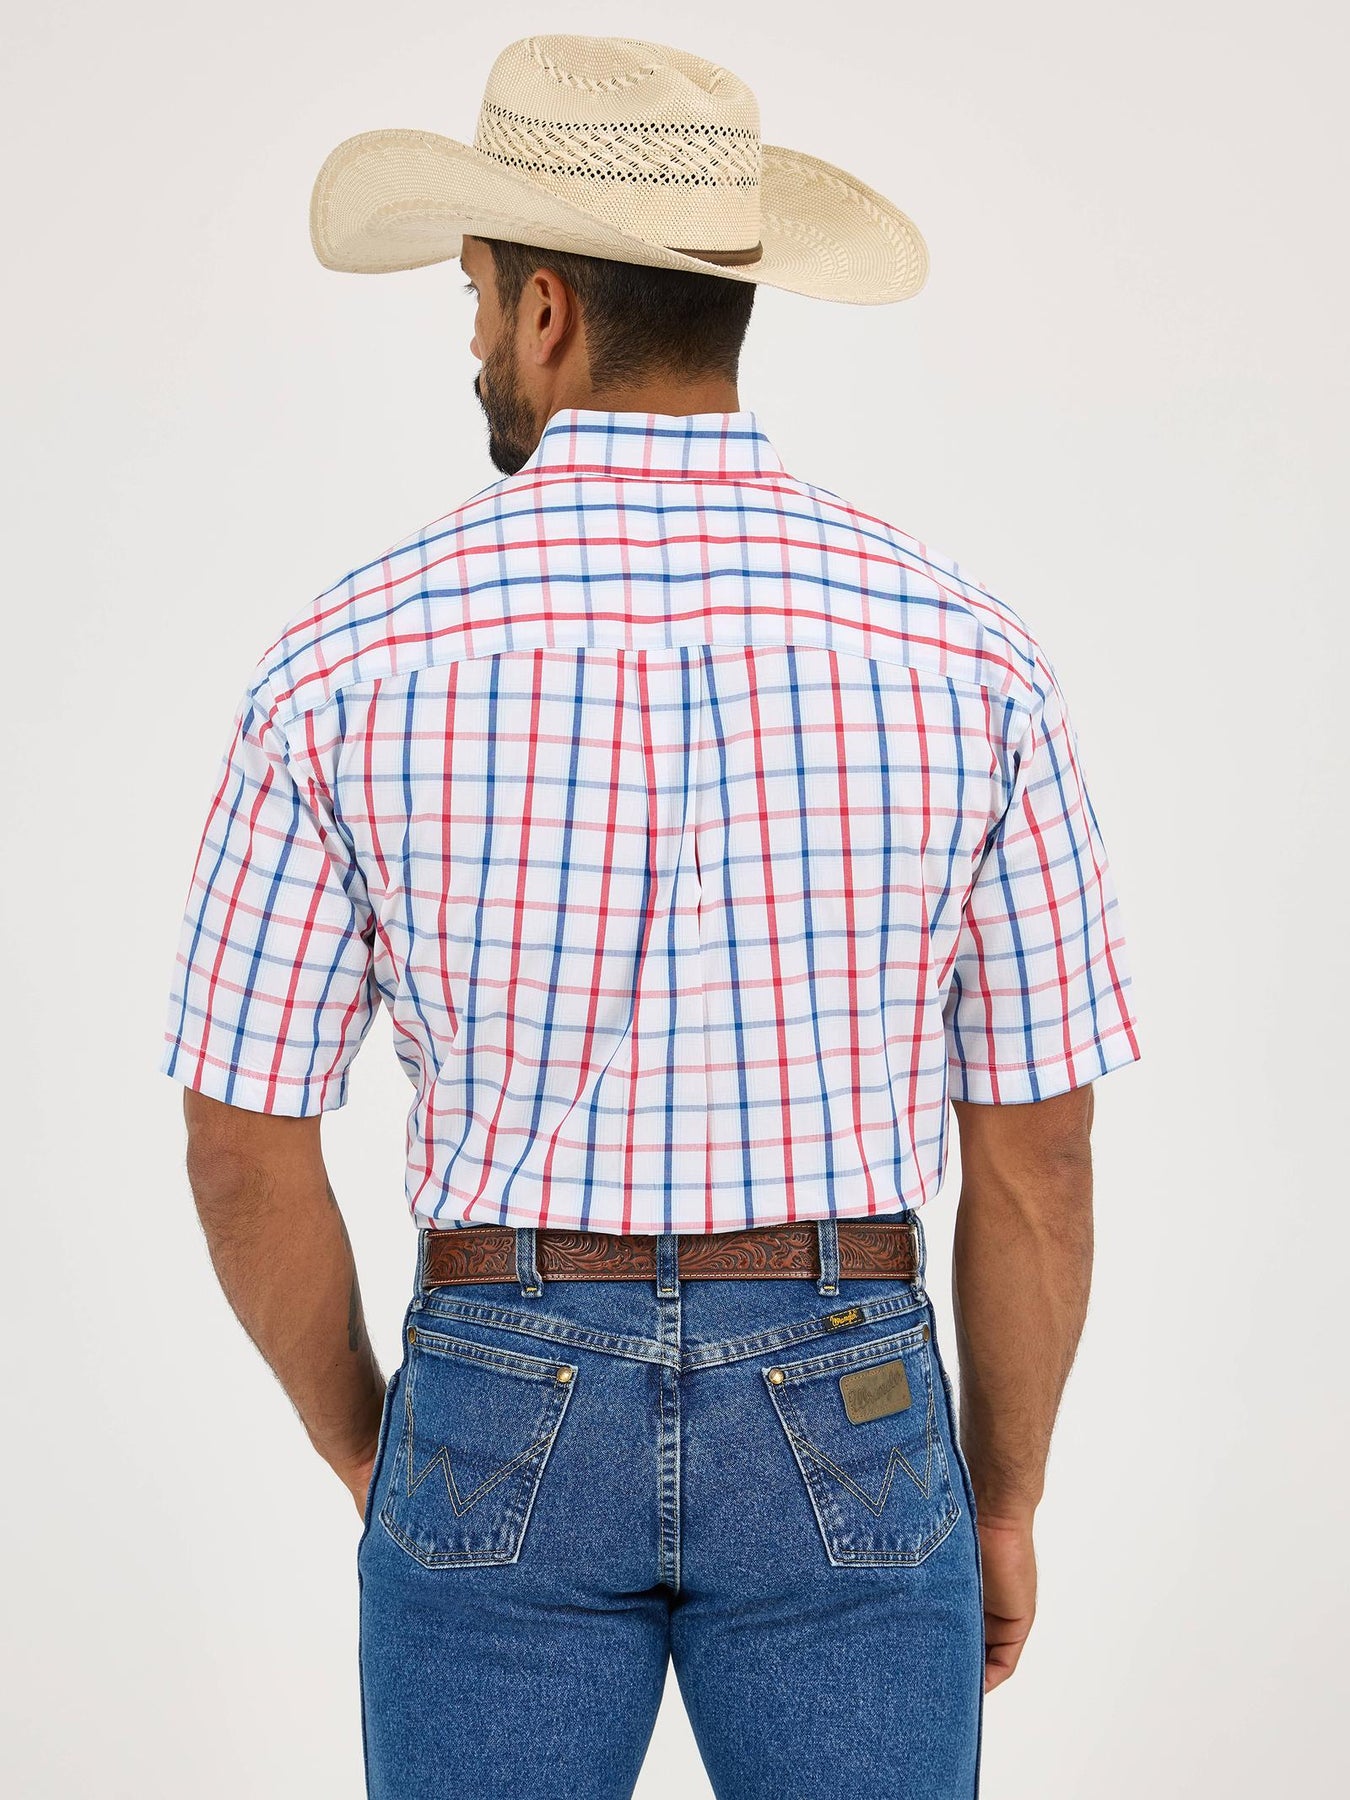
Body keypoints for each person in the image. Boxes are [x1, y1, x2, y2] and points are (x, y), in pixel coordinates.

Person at [159, 33, 1141, 1800]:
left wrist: (389, 1452)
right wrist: (999, 1499)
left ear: (545, 311)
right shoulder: (964, 655)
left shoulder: (344, 660)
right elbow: (1036, 1158)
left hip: (495, 1374)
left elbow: (240, 1147)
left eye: (470, 295)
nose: (470, 340)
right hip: (846, 1387)